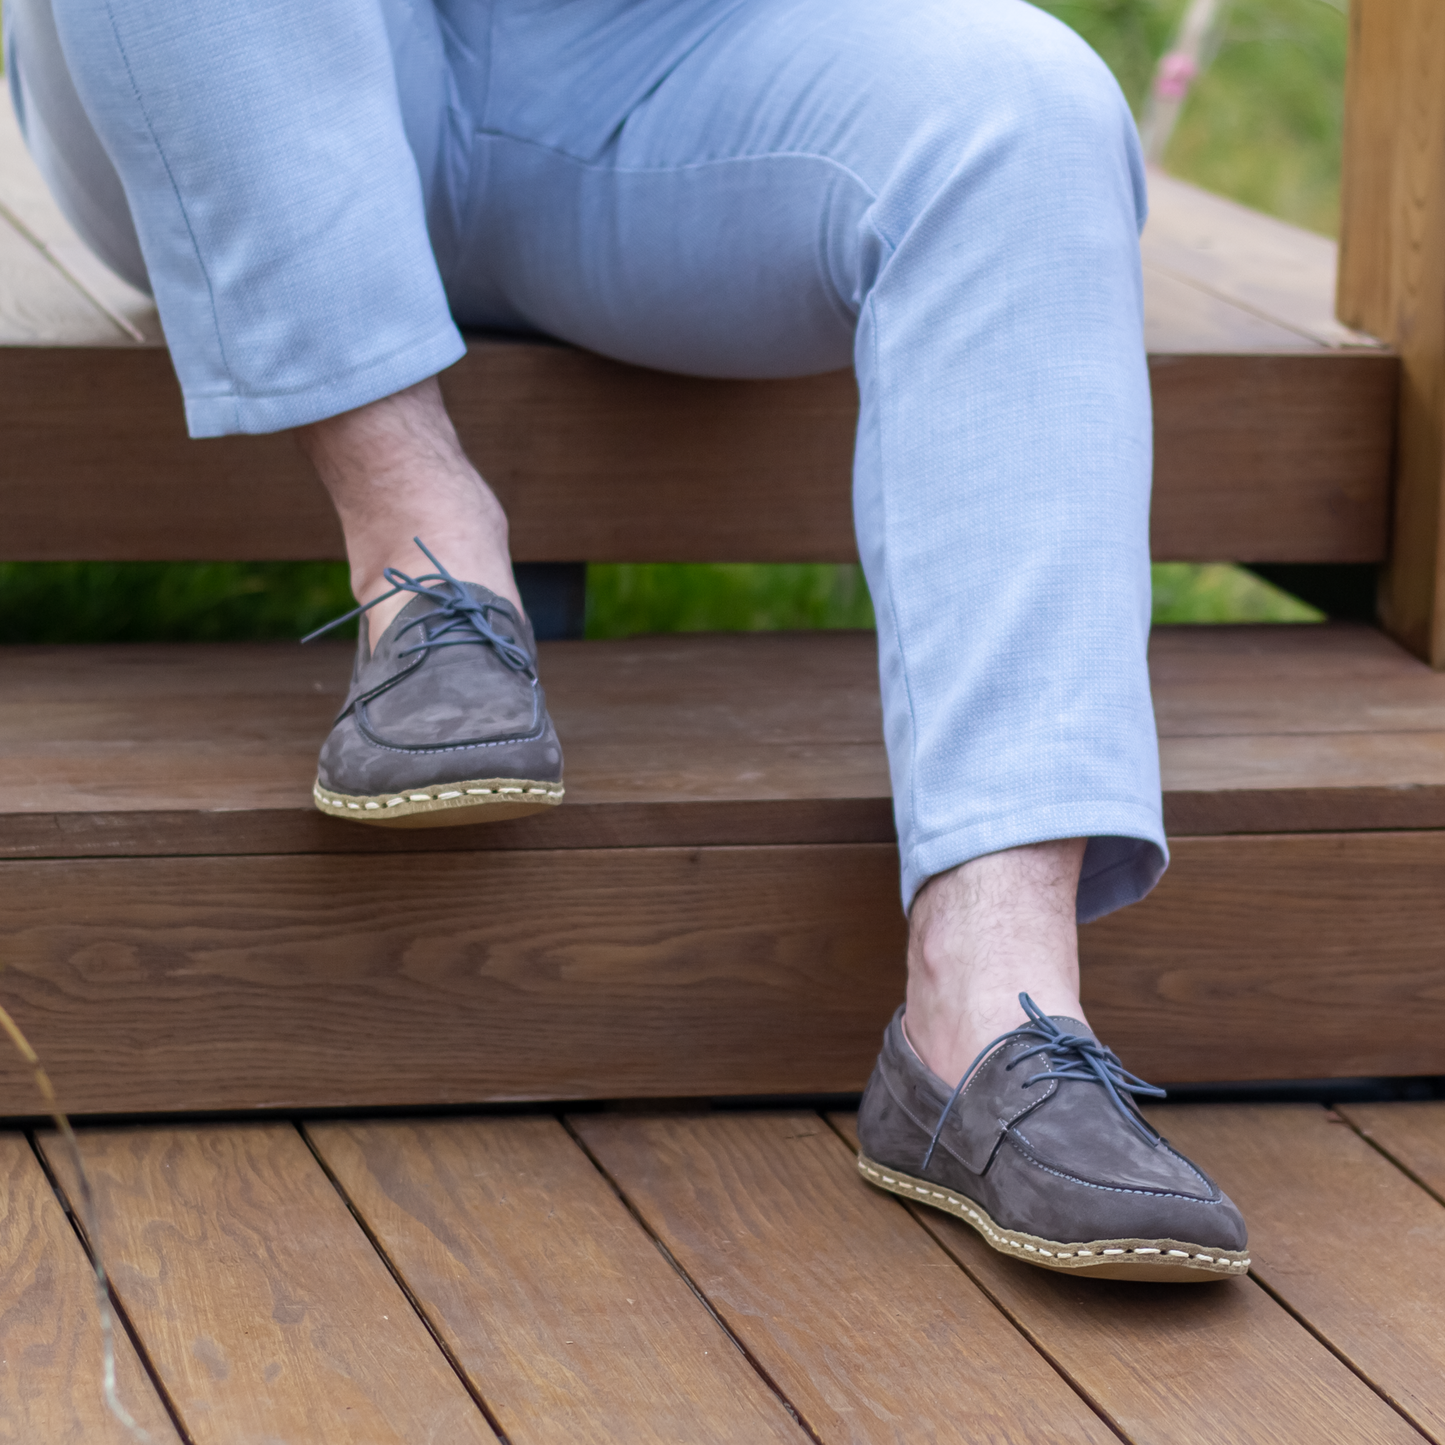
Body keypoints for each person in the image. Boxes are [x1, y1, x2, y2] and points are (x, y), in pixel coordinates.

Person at [7, 0, 1246, 1278]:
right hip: (227, 58)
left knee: (1029, 102)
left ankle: (990, 1012)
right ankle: (423, 559)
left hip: (646, 62)